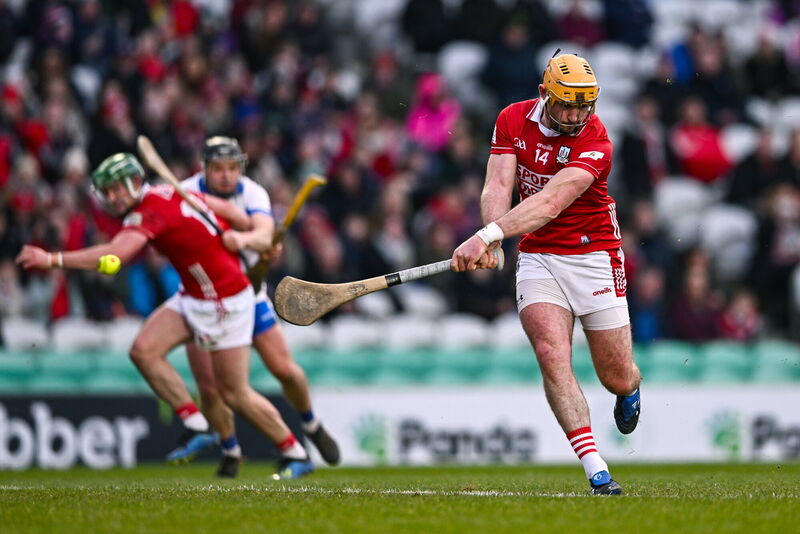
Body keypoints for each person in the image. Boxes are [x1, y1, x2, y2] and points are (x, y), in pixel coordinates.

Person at [15, 152, 315, 480]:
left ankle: (294, 451)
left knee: (234, 394)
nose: (113, 198)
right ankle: (197, 424)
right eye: (108, 192)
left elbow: (113, 258)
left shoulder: (151, 210)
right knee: (143, 350)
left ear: (134, 182)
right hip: (192, 295)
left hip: (224, 301)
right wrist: (250, 232)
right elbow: (226, 209)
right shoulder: (166, 193)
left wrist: (53, 259)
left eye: (117, 189)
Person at [451, 54, 641, 495]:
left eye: (584, 106)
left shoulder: (597, 140)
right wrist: (493, 240)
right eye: (567, 106)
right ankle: (596, 469)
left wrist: (487, 235)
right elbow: (498, 184)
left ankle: (631, 386)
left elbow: (551, 203)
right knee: (551, 351)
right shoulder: (511, 119)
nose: (576, 117)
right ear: (544, 95)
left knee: (615, 375)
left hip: (594, 253)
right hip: (538, 255)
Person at [164, 136, 340, 470]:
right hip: (200, 298)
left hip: (246, 295)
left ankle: (310, 424)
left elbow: (263, 233)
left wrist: (244, 241)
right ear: (204, 169)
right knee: (210, 387)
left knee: (284, 369)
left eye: (233, 168)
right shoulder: (185, 192)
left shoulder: (252, 192)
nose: (227, 176)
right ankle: (231, 453)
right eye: (218, 169)